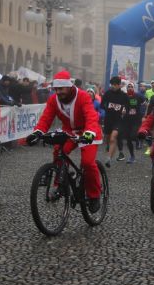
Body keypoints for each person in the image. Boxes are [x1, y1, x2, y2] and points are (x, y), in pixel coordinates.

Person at [26, 71, 103, 213]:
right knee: (58, 151)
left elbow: (91, 116)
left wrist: (89, 133)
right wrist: (37, 133)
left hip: (88, 131)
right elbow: (46, 118)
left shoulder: (83, 96)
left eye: (61, 89)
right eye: (56, 89)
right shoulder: (53, 100)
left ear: (69, 86)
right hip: (69, 131)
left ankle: (94, 195)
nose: (58, 92)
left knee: (87, 163)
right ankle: (59, 184)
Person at [100, 76, 128, 166]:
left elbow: (127, 107)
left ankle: (108, 159)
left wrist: (124, 110)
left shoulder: (124, 96)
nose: (113, 86)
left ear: (119, 85)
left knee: (113, 138)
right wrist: (107, 108)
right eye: (112, 84)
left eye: (115, 85)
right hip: (108, 119)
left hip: (118, 120)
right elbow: (102, 105)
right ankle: (110, 148)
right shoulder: (108, 94)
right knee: (108, 138)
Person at [121, 81, 146, 164]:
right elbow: (121, 106)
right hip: (127, 120)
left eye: (131, 87)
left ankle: (138, 140)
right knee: (128, 139)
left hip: (136, 120)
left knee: (133, 135)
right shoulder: (124, 96)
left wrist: (144, 116)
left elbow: (146, 104)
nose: (130, 88)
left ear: (134, 88)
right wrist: (122, 110)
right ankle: (132, 156)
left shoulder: (138, 96)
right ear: (127, 88)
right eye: (128, 87)